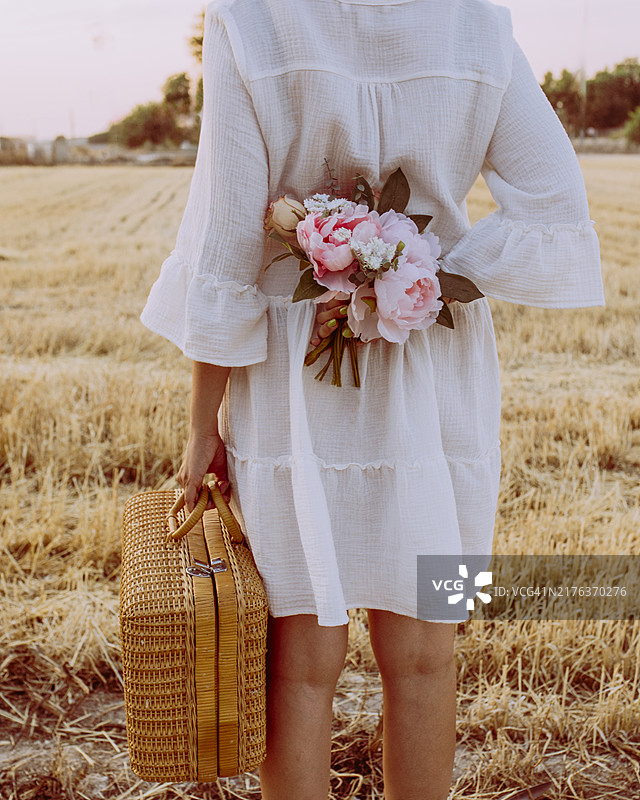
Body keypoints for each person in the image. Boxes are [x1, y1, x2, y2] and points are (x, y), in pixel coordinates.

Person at [140, 0, 605, 797]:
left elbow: (223, 240)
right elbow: (555, 206)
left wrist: (199, 426)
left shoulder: (249, 20)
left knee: (298, 663)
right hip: (438, 358)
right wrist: (416, 267)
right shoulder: (478, 24)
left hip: (295, 372)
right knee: (430, 652)